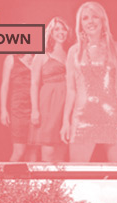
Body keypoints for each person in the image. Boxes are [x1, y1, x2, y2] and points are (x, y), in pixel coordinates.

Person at [62, 1, 117, 162]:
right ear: (80, 24)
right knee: (78, 173)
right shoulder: (74, 51)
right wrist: (65, 121)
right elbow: (71, 90)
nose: (90, 21)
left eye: (95, 17)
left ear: (103, 21)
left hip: (112, 116)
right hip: (82, 118)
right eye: (85, 18)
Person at [30, 18, 70, 162]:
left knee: (62, 147)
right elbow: (34, 83)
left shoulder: (71, 53)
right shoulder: (42, 53)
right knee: (48, 150)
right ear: (51, 33)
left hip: (67, 103)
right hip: (48, 103)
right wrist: (35, 110)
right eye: (57, 29)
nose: (61, 32)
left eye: (63, 29)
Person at [0, 52, 35, 161]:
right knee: (19, 151)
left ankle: (28, 173)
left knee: (33, 151)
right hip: (18, 108)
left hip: (36, 108)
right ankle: (8, 173)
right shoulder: (11, 58)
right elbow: (4, 85)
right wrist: (3, 110)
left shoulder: (39, 58)